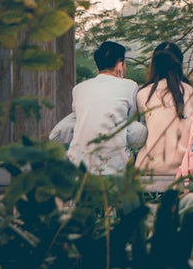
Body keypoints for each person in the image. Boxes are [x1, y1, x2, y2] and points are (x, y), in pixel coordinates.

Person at [49, 40, 147, 175]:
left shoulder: (79, 89)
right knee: (138, 130)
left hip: (80, 165)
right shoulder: (130, 86)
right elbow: (131, 129)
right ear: (120, 64)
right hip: (116, 167)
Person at [135, 42, 193, 179]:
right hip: (186, 168)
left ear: (154, 64)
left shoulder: (143, 95)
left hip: (150, 168)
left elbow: (142, 132)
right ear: (179, 64)